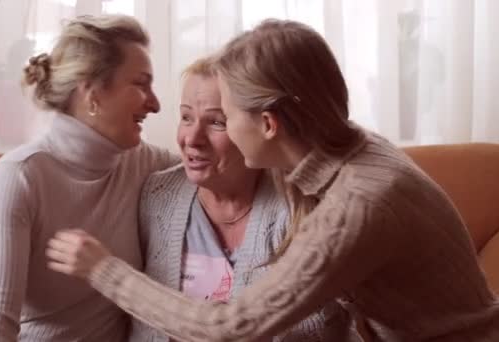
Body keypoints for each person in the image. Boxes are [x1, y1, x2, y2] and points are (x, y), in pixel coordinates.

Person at [46, 19, 499, 342]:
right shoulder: (346, 148)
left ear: (268, 124)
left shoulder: (357, 204)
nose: (194, 134)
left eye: (224, 116)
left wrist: (104, 271)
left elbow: (232, 328)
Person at [0, 15, 179, 341]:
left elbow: (221, 168)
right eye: (141, 84)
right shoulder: (18, 178)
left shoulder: (143, 162)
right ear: (92, 93)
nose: (155, 104)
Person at [129, 57, 352, 341]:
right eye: (186, 117)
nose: (192, 138)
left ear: (258, 127)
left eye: (217, 122)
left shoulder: (300, 206)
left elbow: (323, 329)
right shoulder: (158, 195)